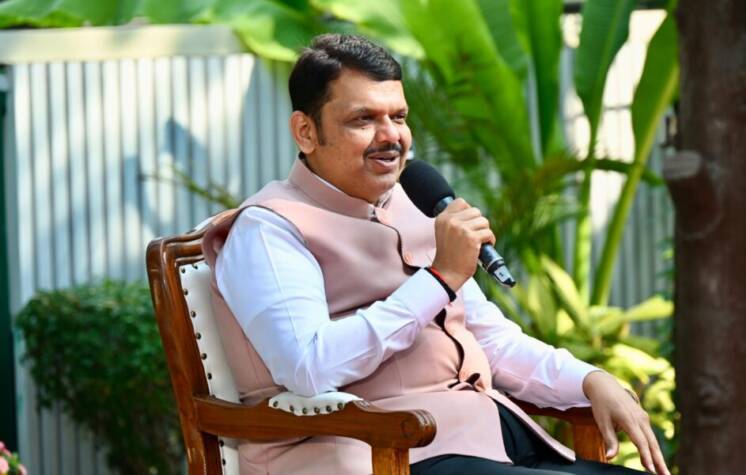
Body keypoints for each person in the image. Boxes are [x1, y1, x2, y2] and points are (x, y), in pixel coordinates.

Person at [201, 34, 670, 475]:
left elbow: (491, 341)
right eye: (363, 120)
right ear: (305, 132)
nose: (391, 136)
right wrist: (439, 279)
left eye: (399, 117)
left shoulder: (412, 204)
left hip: (485, 435)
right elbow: (309, 367)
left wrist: (589, 380)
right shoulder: (269, 229)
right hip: (379, 453)